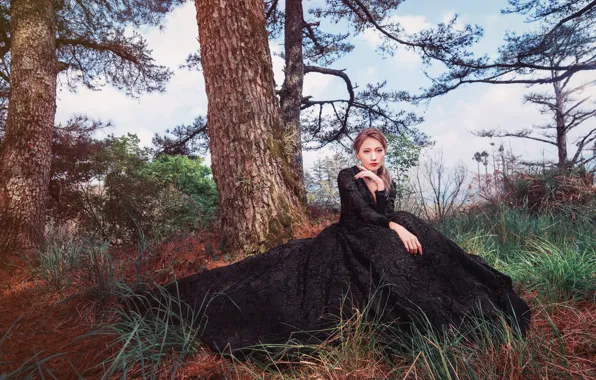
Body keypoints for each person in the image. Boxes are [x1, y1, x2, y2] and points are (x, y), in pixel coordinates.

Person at [158, 128, 531, 356]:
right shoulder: (346, 176)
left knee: (420, 238)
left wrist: (385, 194)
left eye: (378, 151)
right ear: (358, 153)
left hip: (379, 229)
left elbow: (386, 210)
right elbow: (361, 215)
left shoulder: (385, 177)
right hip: (352, 234)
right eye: (367, 151)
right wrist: (393, 223)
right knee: (395, 237)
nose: (373, 156)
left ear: (383, 152)